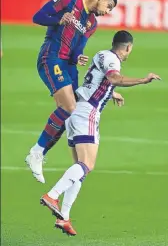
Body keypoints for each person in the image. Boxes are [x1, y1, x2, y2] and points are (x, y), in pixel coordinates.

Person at [40, 30, 161, 236]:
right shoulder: (114, 61)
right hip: (87, 112)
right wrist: (142, 80)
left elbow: (94, 81)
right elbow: (114, 77)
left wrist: (111, 93)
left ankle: (65, 217)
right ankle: (52, 195)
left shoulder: (102, 54)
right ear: (128, 47)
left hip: (76, 108)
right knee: (87, 165)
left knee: (80, 167)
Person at [25, 0, 117, 184]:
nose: (107, 12)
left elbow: (77, 50)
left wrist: (78, 57)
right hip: (51, 57)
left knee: (72, 113)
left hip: (68, 65)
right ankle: (36, 152)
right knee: (68, 106)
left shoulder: (92, 24)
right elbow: (38, 16)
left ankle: (42, 153)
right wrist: (59, 18)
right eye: (108, 6)